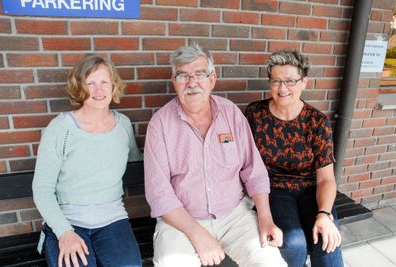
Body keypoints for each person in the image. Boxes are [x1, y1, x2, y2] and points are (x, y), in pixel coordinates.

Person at [144, 44, 287, 267]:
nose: (192, 83)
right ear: (174, 82)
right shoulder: (160, 124)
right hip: (181, 221)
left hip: (234, 216)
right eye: (183, 75)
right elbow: (159, 194)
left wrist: (265, 219)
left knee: (270, 263)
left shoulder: (231, 113)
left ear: (212, 78)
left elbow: (254, 171)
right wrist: (197, 234)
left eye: (199, 74)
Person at [32, 55, 143, 267]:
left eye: (104, 82)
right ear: (79, 88)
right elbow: (42, 188)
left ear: (113, 86)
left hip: (113, 218)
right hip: (68, 221)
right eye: (90, 84)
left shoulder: (123, 126)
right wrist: (64, 233)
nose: (99, 90)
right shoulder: (60, 128)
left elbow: (136, 160)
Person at [245, 49, 343, 267]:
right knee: (293, 242)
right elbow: (245, 162)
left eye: (290, 81)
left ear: (304, 82)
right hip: (274, 189)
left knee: (326, 242)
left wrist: (324, 214)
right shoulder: (254, 115)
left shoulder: (317, 122)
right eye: (276, 81)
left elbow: (326, 179)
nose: (282, 88)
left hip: (311, 190)